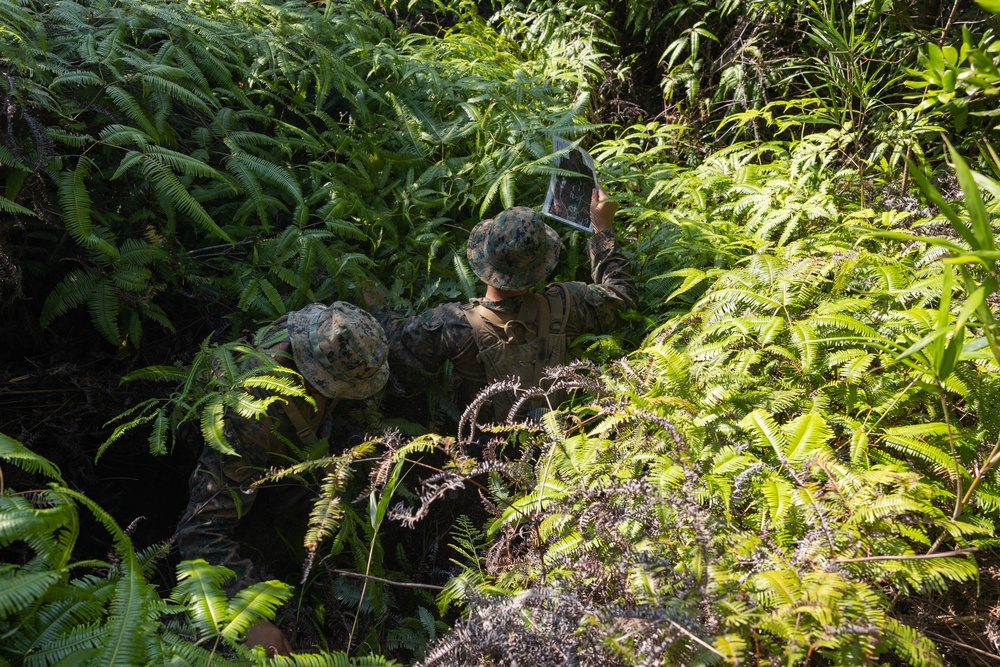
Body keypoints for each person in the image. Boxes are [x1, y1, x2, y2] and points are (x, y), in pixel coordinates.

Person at [174, 301, 389, 657]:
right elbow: (199, 530)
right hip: (230, 466)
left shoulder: (317, 329)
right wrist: (250, 616)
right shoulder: (251, 415)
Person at [372, 185, 635, 428]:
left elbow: (392, 349)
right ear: (541, 266)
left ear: (482, 259)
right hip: (554, 450)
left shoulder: (453, 325)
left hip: (481, 455)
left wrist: (377, 304)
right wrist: (603, 231)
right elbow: (623, 299)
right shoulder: (568, 304)